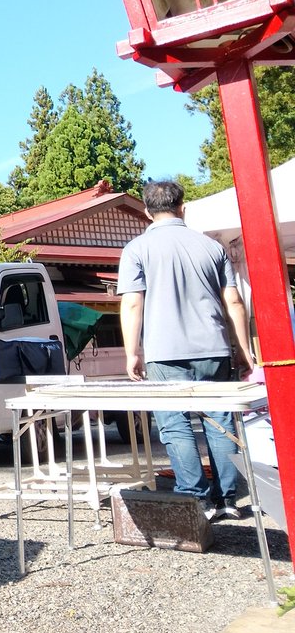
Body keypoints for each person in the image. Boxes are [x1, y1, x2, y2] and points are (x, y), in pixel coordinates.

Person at [118, 180, 256, 521]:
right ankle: (228, 500)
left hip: (164, 352)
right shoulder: (212, 248)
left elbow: (133, 304)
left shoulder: (137, 249)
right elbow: (234, 302)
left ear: (148, 212)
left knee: (176, 425)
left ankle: (195, 500)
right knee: (220, 422)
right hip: (214, 347)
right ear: (183, 207)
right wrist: (245, 349)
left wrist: (131, 351)